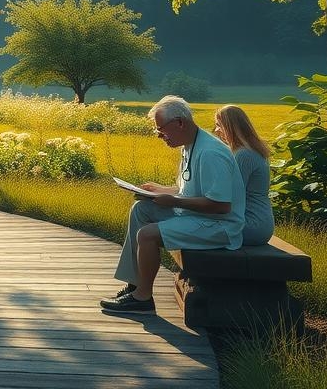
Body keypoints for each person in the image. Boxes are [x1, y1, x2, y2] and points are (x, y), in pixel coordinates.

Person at [100, 95, 244, 316]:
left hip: (219, 227)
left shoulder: (210, 153)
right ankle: (136, 284)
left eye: (161, 130)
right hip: (197, 217)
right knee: (141, 210)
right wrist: (160, 190)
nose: (159, 136)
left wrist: (174, 201)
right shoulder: (190, 145)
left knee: (147, 235)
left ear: (179, 122)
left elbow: (221, 205)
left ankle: (143, 298)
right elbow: (190, 191)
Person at [214, 104, 275, 246]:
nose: (216, 130)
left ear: (231, 127)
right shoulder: (245, 151)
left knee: (191, 228)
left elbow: (228, 193)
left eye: (219, 125)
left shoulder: (244, 155)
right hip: (254, 222)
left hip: (252, 224)